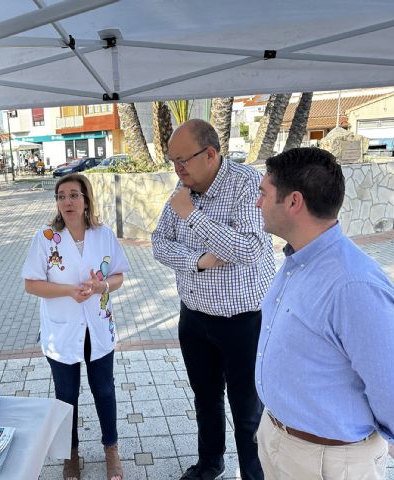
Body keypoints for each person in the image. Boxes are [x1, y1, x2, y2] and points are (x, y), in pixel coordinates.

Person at [255, 147, 394, 479]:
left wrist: (362, 444)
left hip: (329, 461)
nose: (258, 204)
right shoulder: (299, 261)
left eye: (264, 193)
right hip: (282, 441)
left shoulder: (354, 286)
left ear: (294, 202)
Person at [152, 119, 274, 480]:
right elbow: (160, 242)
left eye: (183, 160)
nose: (178, 169)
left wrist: (192, 216)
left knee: (247, 409)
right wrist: (200, 261)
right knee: (205, 398)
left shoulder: (246, 184)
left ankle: (254, 474)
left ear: (210, 154)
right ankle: (210, 464)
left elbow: (249, 248)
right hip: (194, 316)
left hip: (243, 321)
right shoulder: (183, 186)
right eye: (173, 161)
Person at [22, 173, 129, 480]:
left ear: (86, 200)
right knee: (66, 395)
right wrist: (69, 291)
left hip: (97, 326)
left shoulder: (103, 234)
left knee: (105, 391)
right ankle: (70, 453)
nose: (67, 201)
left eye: (73, 195)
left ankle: (111, 449)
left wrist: (101, 286)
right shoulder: (45, 238)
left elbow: (119, 277)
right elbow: (31, 284)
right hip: (62, 330)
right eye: (61, 196)